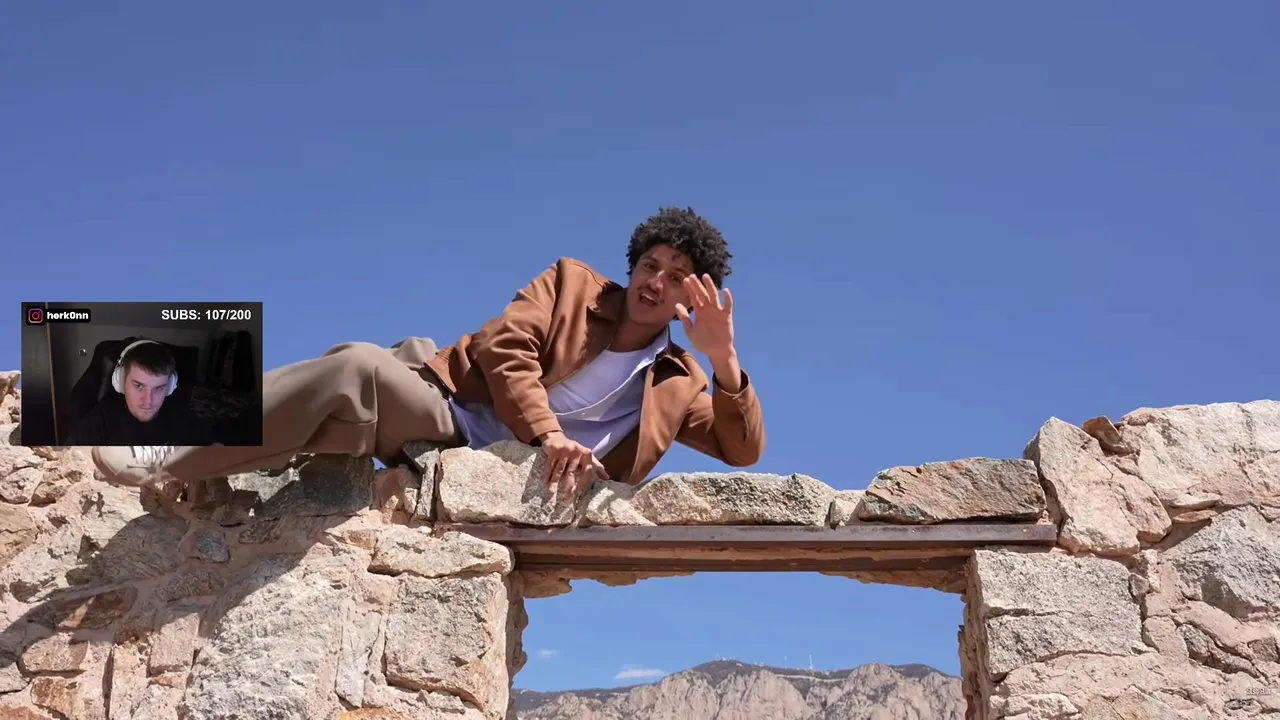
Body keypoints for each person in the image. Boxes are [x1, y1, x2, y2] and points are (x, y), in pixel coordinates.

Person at [91, 207, 765, 494]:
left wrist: (724, 361)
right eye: (650, 264)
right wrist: (550, 435)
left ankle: (191, 460)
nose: (656, 281)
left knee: (347, 382)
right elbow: (505, 347)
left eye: (677, 276)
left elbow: (741, 450)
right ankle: (166, 449)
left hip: (499, 470)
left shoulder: (679, 380)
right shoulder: (572, 283)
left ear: (694, 296)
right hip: (455, 415)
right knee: (354, 368)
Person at [69, 340, 216, 446]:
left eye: (159, 388)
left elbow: (210, 449)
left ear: (170, 386)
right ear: (121, 382)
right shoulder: (100, 420)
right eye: (139, 386)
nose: (148, 400)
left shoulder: (182, 416)